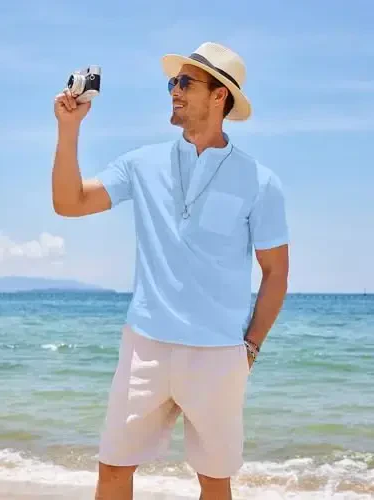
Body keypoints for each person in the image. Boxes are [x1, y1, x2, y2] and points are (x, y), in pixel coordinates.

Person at [52, 42, 289, 500]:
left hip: (218, 354)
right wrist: (69, 129)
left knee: (214, 481)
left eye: (185, 83)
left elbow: (275, 272)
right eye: (172, 83)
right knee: (113, 470)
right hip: (144, 346)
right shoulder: (140, 163)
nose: (173, 91)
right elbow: (69, 202)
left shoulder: (260, 182)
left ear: (219, 95)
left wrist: (250, 349)